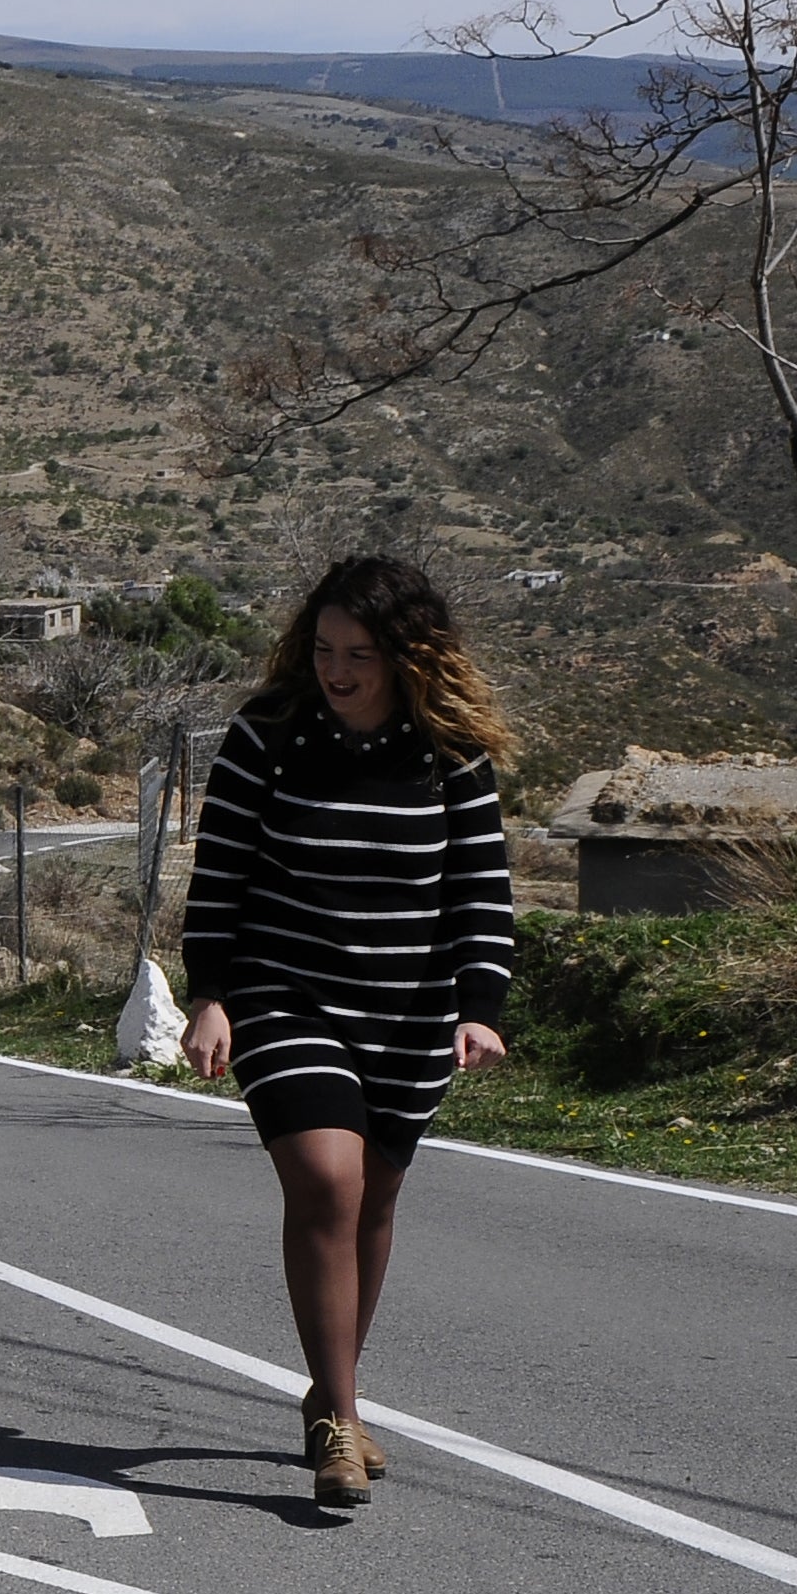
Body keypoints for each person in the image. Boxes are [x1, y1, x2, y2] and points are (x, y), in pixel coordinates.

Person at [179, 554, 517, 1512]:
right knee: (327, 1179)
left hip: (406, 1013)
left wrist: (478, 1008)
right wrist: (212, 994)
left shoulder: (451, 757)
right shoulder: (269, 737)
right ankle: (338, 1413)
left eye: (358, 653)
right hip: (284, 995)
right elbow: (221, 877)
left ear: (409, 656)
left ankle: (332, 1393)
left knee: (373, 1205)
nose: (336, 669)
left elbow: (482, 897)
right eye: (325, 649)